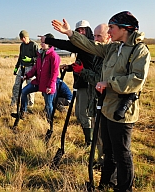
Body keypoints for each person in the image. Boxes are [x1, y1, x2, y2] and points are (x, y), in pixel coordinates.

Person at [51, 11, 150, 192]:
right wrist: (70, 34)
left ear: (124, 28)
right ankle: (106, 184)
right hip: (105, 107)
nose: (109, 31)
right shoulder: (113, 47)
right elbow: (90, 45)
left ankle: (124, 188)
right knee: (108, 151)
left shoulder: (139, 51)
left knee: (122, 154)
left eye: (111, 27)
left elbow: (137, 79)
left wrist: (109, 83)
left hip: (121, 112)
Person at [40, 20, 95, 146]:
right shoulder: (82, 46)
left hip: (88, 84)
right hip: (80, 83)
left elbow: (68, 46)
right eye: (78, 30)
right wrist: (70, 67)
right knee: (80, 114)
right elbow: (83, 62)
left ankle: (90, 141)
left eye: (83, 30)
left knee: (84, 114)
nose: (80, 32)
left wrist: (48, 40)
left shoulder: (89, 44)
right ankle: (89, 139)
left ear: (88, 31)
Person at [73, 23, 111, 169]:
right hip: (95, 99)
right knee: (98, 133)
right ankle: (101, 161)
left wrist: (83, 71)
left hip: (104, 101)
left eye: (98, 36)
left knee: (102, 135)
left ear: (108, 36)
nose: (95, 39)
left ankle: (105, 164)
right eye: (94, 36)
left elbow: (99, 80)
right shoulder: (98, 53)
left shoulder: (107, 55)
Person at [11, 33, 60, 121]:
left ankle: (50, 121)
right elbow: (35, 69)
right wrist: (26, 76)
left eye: (43, 43)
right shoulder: (40, 55)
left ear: (49, 44)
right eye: (41, 42)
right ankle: (23, 113)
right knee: (24, 91)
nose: (41, 44)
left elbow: (54, 73)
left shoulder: (54, 56)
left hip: (47, 85)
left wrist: (50, 86)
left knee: (48, 104)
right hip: (38, 82)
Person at [10, 30, 38, 107]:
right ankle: (14, 102)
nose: (23, 40)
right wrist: (16, 67)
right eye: (21, 39)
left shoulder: (34, 45)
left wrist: (31, 60)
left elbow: (38, 58)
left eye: (23, 38)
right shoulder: (22, 45)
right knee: (16, 85)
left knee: (30, 86)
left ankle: (30, 104)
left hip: (31, 68)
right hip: (22, 67)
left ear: (26, 37)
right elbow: (20, 57)